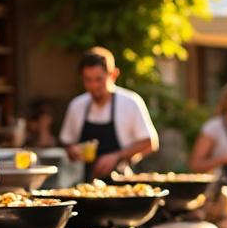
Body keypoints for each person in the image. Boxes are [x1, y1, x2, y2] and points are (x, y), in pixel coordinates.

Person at [58, 47, 159, 179]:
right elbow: (67, 141)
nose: (93, 86)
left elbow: (150, 142)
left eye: (99, 79)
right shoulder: (77, 105)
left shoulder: (130, 102)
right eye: (88, 80)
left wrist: (117, 156)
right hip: (83, 182)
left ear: (113, 74)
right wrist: (73, 150)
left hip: (121, 181)